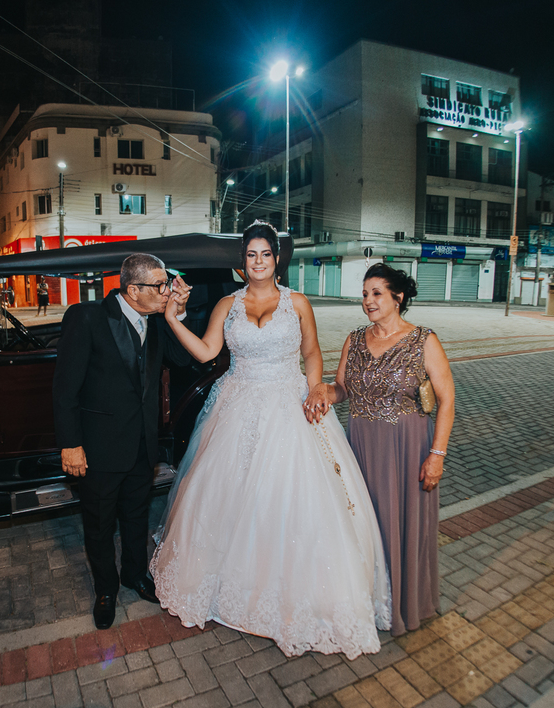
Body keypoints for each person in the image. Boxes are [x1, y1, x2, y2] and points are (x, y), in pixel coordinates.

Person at [150, 222, 391, 659]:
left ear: (276, 259)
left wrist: (316, 389)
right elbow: (206, 352)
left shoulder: (297, 303)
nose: (258, 261)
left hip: (289, 403)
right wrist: (171, 318)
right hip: (237, 406)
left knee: (293, 497)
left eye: (265, 254)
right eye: (251, 254)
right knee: (229, 496)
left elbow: (311, 352)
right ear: (242, 261)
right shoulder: (227, 304)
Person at [306, 265, 455, 636]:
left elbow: (447, 400)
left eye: (376, 293)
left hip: (407, 449)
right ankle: (367, 603)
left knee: (403, 524)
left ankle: (404, 605)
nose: (368, 301)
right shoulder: (355, 340)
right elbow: (343, 389)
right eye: (364, 294)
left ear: (397, 298)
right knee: (361, 523)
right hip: (361, 448)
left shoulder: (423, 340)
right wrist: (323, 391)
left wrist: (437, 455)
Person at [53, 254, 191, 630]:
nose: (167, 291)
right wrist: (70, 444)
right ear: (133, 290)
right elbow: (65, 388)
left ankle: (134, 574)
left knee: (135, 517)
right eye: (160, 286)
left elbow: (182, 360)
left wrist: (176, 314)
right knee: (99, 524)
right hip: (98, 447)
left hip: (142, 444)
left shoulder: (157, 320)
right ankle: (106, 590)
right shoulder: (87, 317)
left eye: (167, 284)